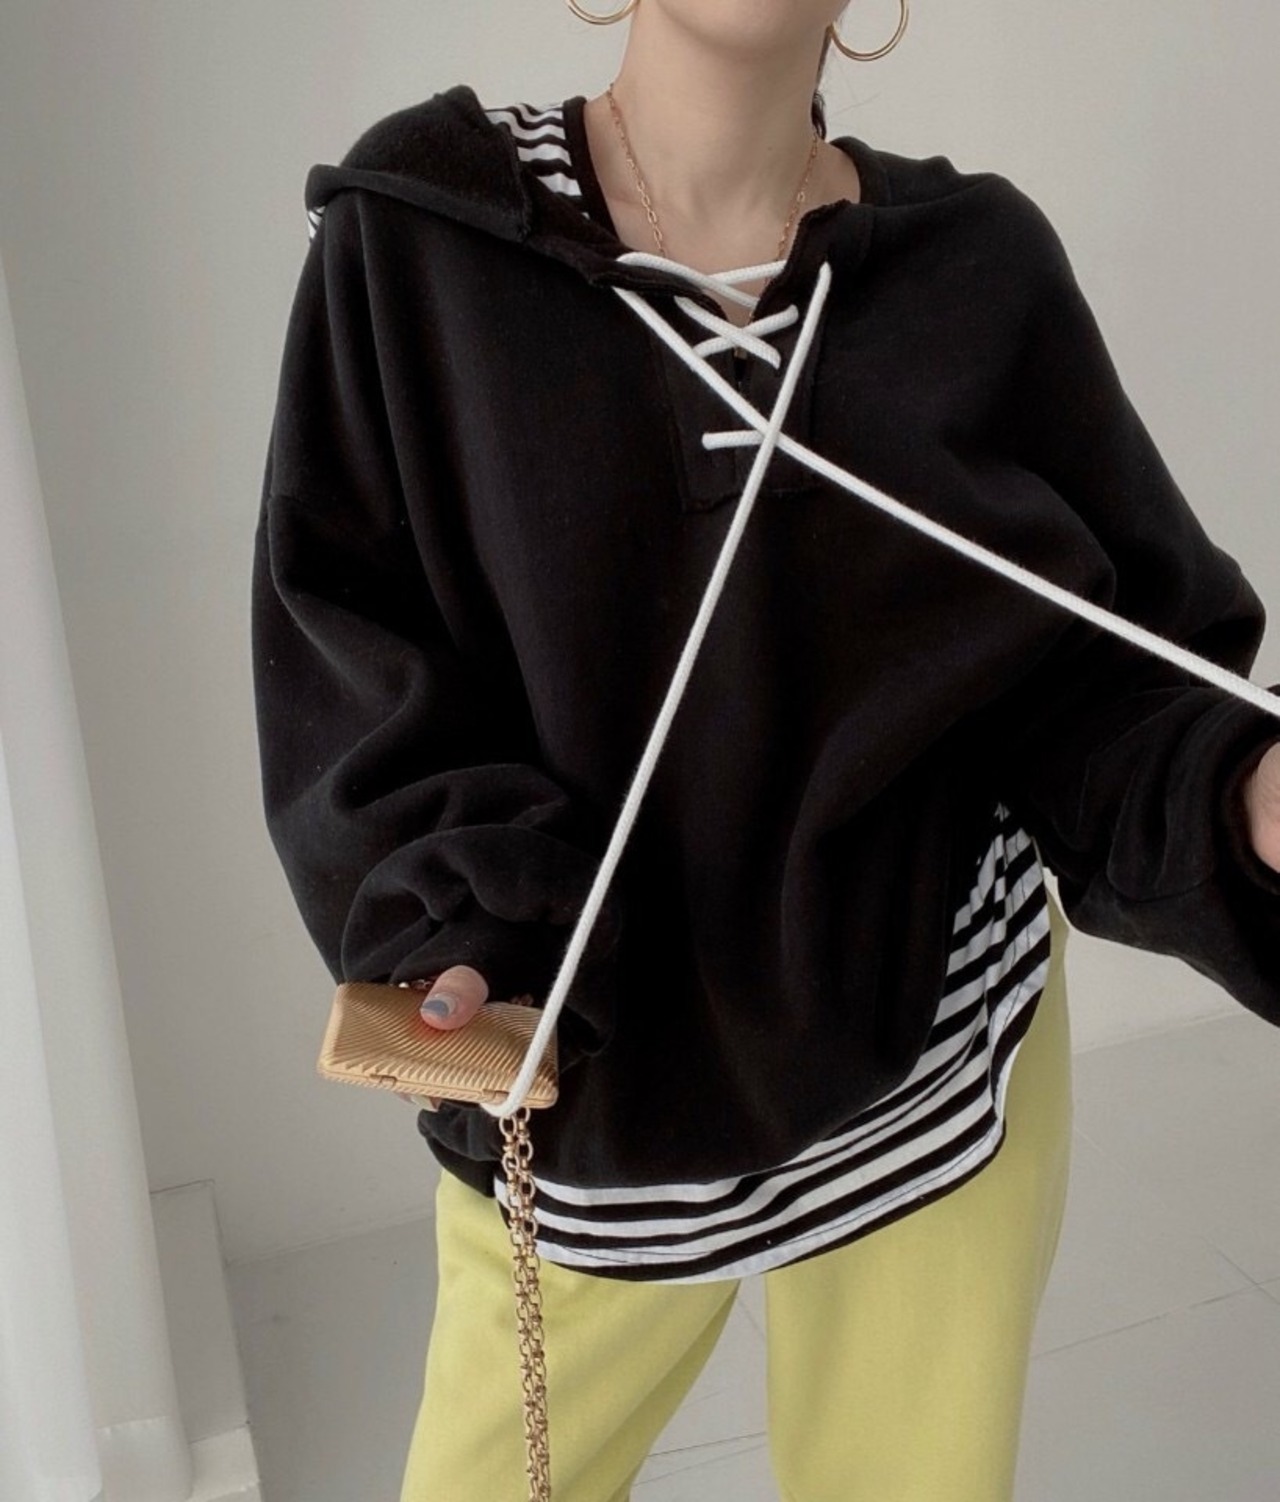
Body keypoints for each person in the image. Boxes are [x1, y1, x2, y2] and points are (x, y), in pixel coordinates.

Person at [250, 2, 1280, 1497]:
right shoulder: (425, 239)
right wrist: (457, 920)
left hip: (938, 1054)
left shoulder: (975, 269)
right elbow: (354, 648)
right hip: (584, 1079)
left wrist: (1247, 794)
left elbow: (1099, 684)